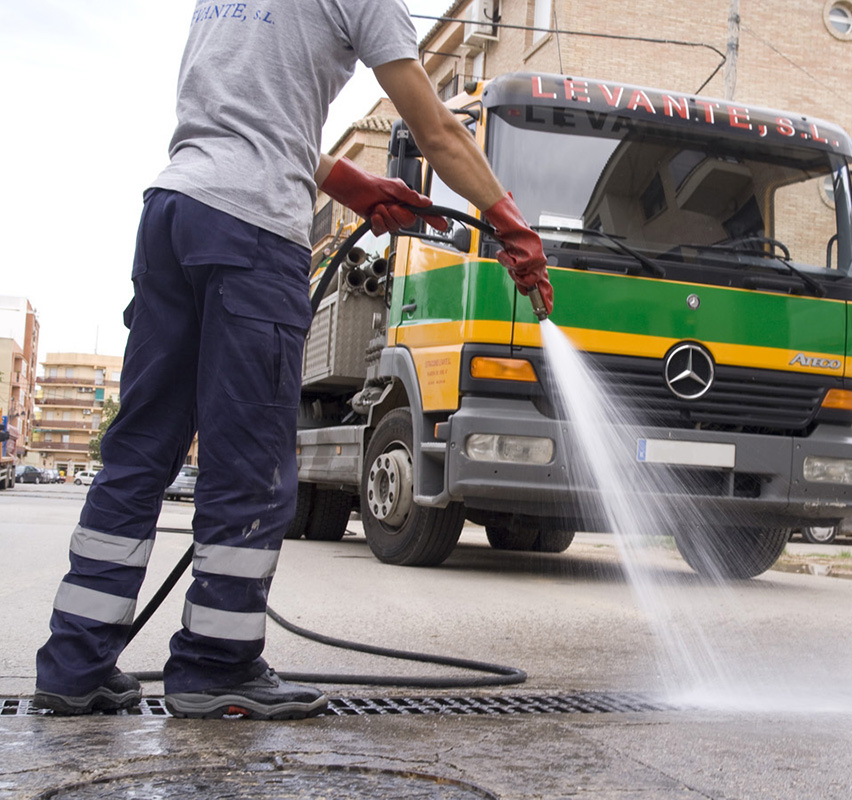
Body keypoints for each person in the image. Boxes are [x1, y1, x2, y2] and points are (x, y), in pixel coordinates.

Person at [33, 0, 550, 720]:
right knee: (246, 464)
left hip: (173, 212)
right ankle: (216, 668)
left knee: (139, 450)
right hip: (250, 233)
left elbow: (246, 117)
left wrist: (351, 184)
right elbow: (436, 131)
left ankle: (73, 664)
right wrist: (510, 223)